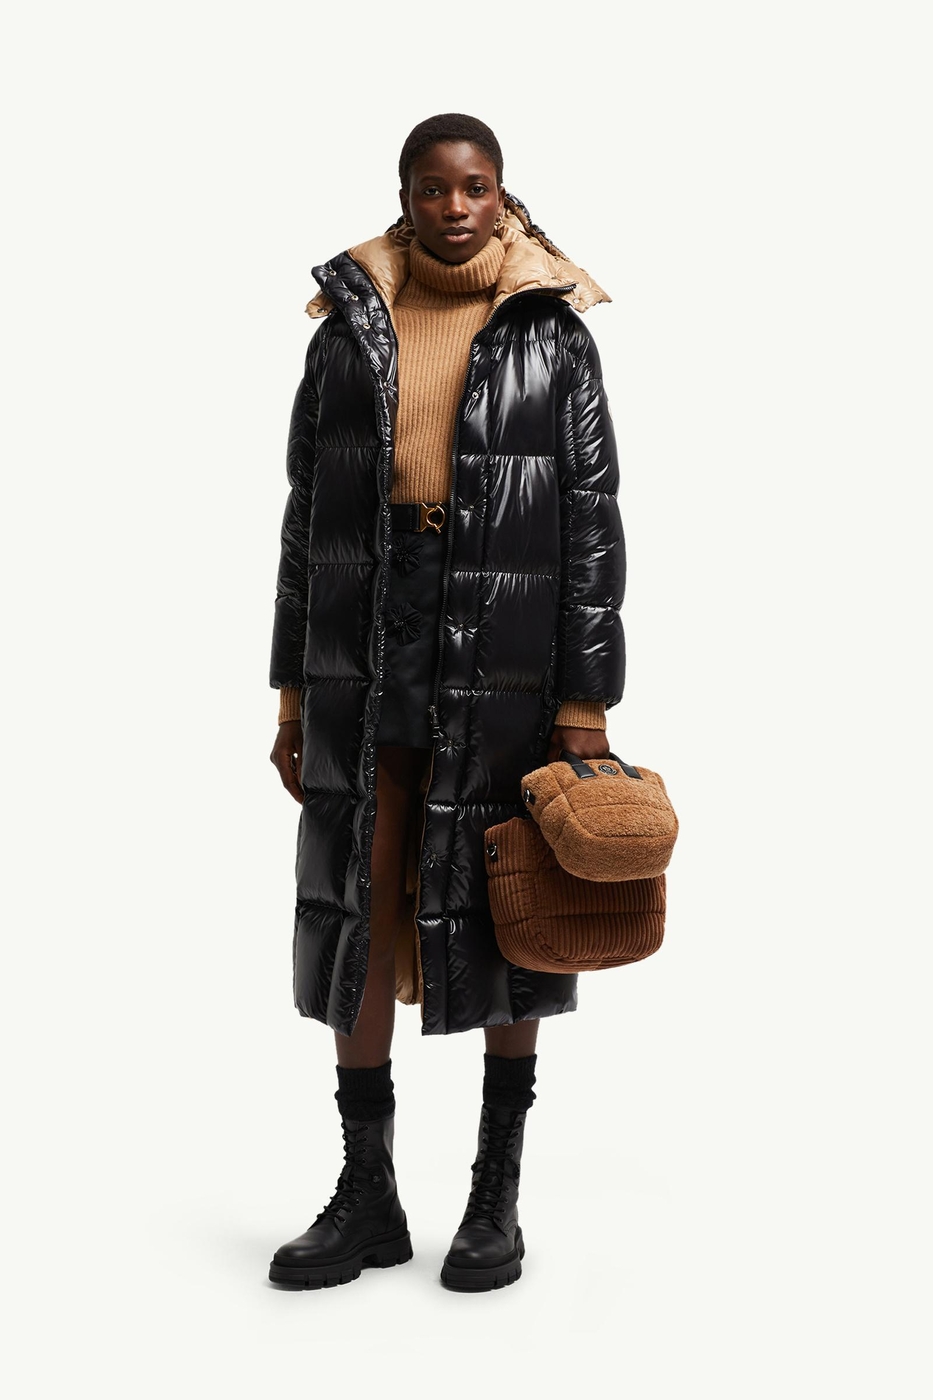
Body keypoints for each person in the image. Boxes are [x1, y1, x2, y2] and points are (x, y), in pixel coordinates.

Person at [267, 113, 626, 1292]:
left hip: (509, 631)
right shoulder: (348, 334)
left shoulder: (552, 333)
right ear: (406, 196)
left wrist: (586, 699)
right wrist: (291, 694)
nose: (456, 206)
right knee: (359, 897)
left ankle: (494, 1194)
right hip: (366, 631)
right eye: (434, 188)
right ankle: (366, 1192)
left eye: (475, 187)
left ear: (504, 194)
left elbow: (591, 527)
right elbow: (304, 525)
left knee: (513, 895)